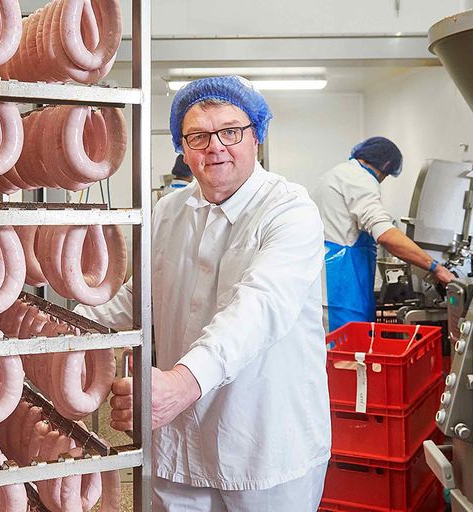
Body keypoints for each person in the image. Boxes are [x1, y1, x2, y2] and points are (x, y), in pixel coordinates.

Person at [75, 75, 331, 511]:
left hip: (262, 445)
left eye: (231, 131)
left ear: (256, 136)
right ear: (182, 147)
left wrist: (182, 382)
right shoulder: (170, 210)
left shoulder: (290, 210)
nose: (215, 146)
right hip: (180, 443)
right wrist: (66, 327)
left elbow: (261, 305)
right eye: (198, 136)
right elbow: (143, 293)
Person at [312, 136, 456, 332]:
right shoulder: (361, 180)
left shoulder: (337, 174)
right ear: (387, 165)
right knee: (349, 355)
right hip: (342, 287)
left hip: (325, 284)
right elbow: (386, 235)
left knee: (332, 355)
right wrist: (435, 267)